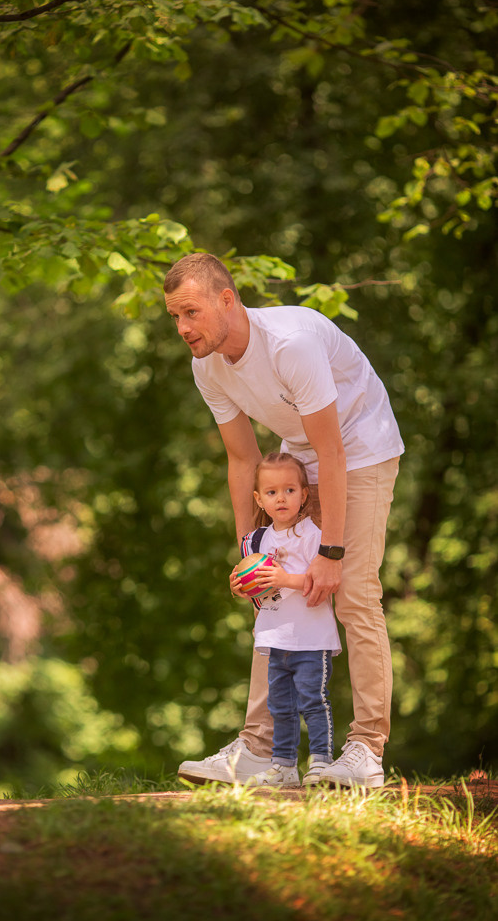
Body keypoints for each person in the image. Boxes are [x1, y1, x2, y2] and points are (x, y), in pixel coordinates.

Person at [163, 252, 403, 788]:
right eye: (174, 317)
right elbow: (243, 460)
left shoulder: (289, 345)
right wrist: (252, 551)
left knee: (355, 592)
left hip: (360, 447)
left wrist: (330, 553)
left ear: (227, 300)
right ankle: (257, 750)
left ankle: (365, 749)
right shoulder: (207, 366)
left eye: (191, 313)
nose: (182, 328)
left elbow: (333, 453)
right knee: (273, 588)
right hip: (298, 454)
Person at [228, 452, 341, 787]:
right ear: (259, 499)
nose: (281, 498)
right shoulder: (257, 540)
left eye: (290, 490)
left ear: (304, 495)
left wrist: (283, 579)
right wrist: (238, 586)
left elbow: (320, 580)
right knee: (280, 705)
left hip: (311, 637)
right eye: (272, 492)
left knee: (313, 700)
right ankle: (284, 766)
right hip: (275, 637)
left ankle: (321, 760)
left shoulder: (313, 535)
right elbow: (254, 586)